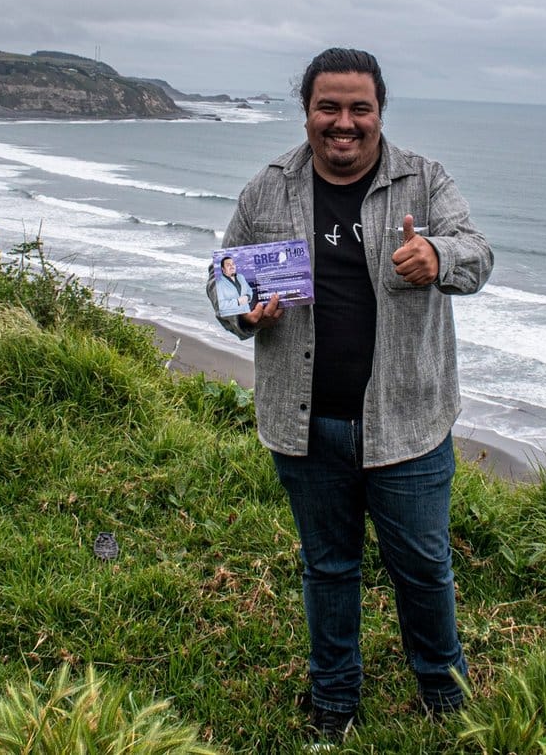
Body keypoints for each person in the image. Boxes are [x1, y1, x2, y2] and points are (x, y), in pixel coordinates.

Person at [206, 47, 492, 742]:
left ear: (379, 112)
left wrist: (438, 257)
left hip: (407, 423)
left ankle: (444, 693)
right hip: (306, 425)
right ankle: (334, 700)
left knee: (422, 568)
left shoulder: (424, 180)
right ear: (306, 112)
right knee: (328, 568)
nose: (343, 123)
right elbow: (222, 280)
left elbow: (478, 253)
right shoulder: (267, 189)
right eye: (327, 107)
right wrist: (244, 312)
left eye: (358, 108)